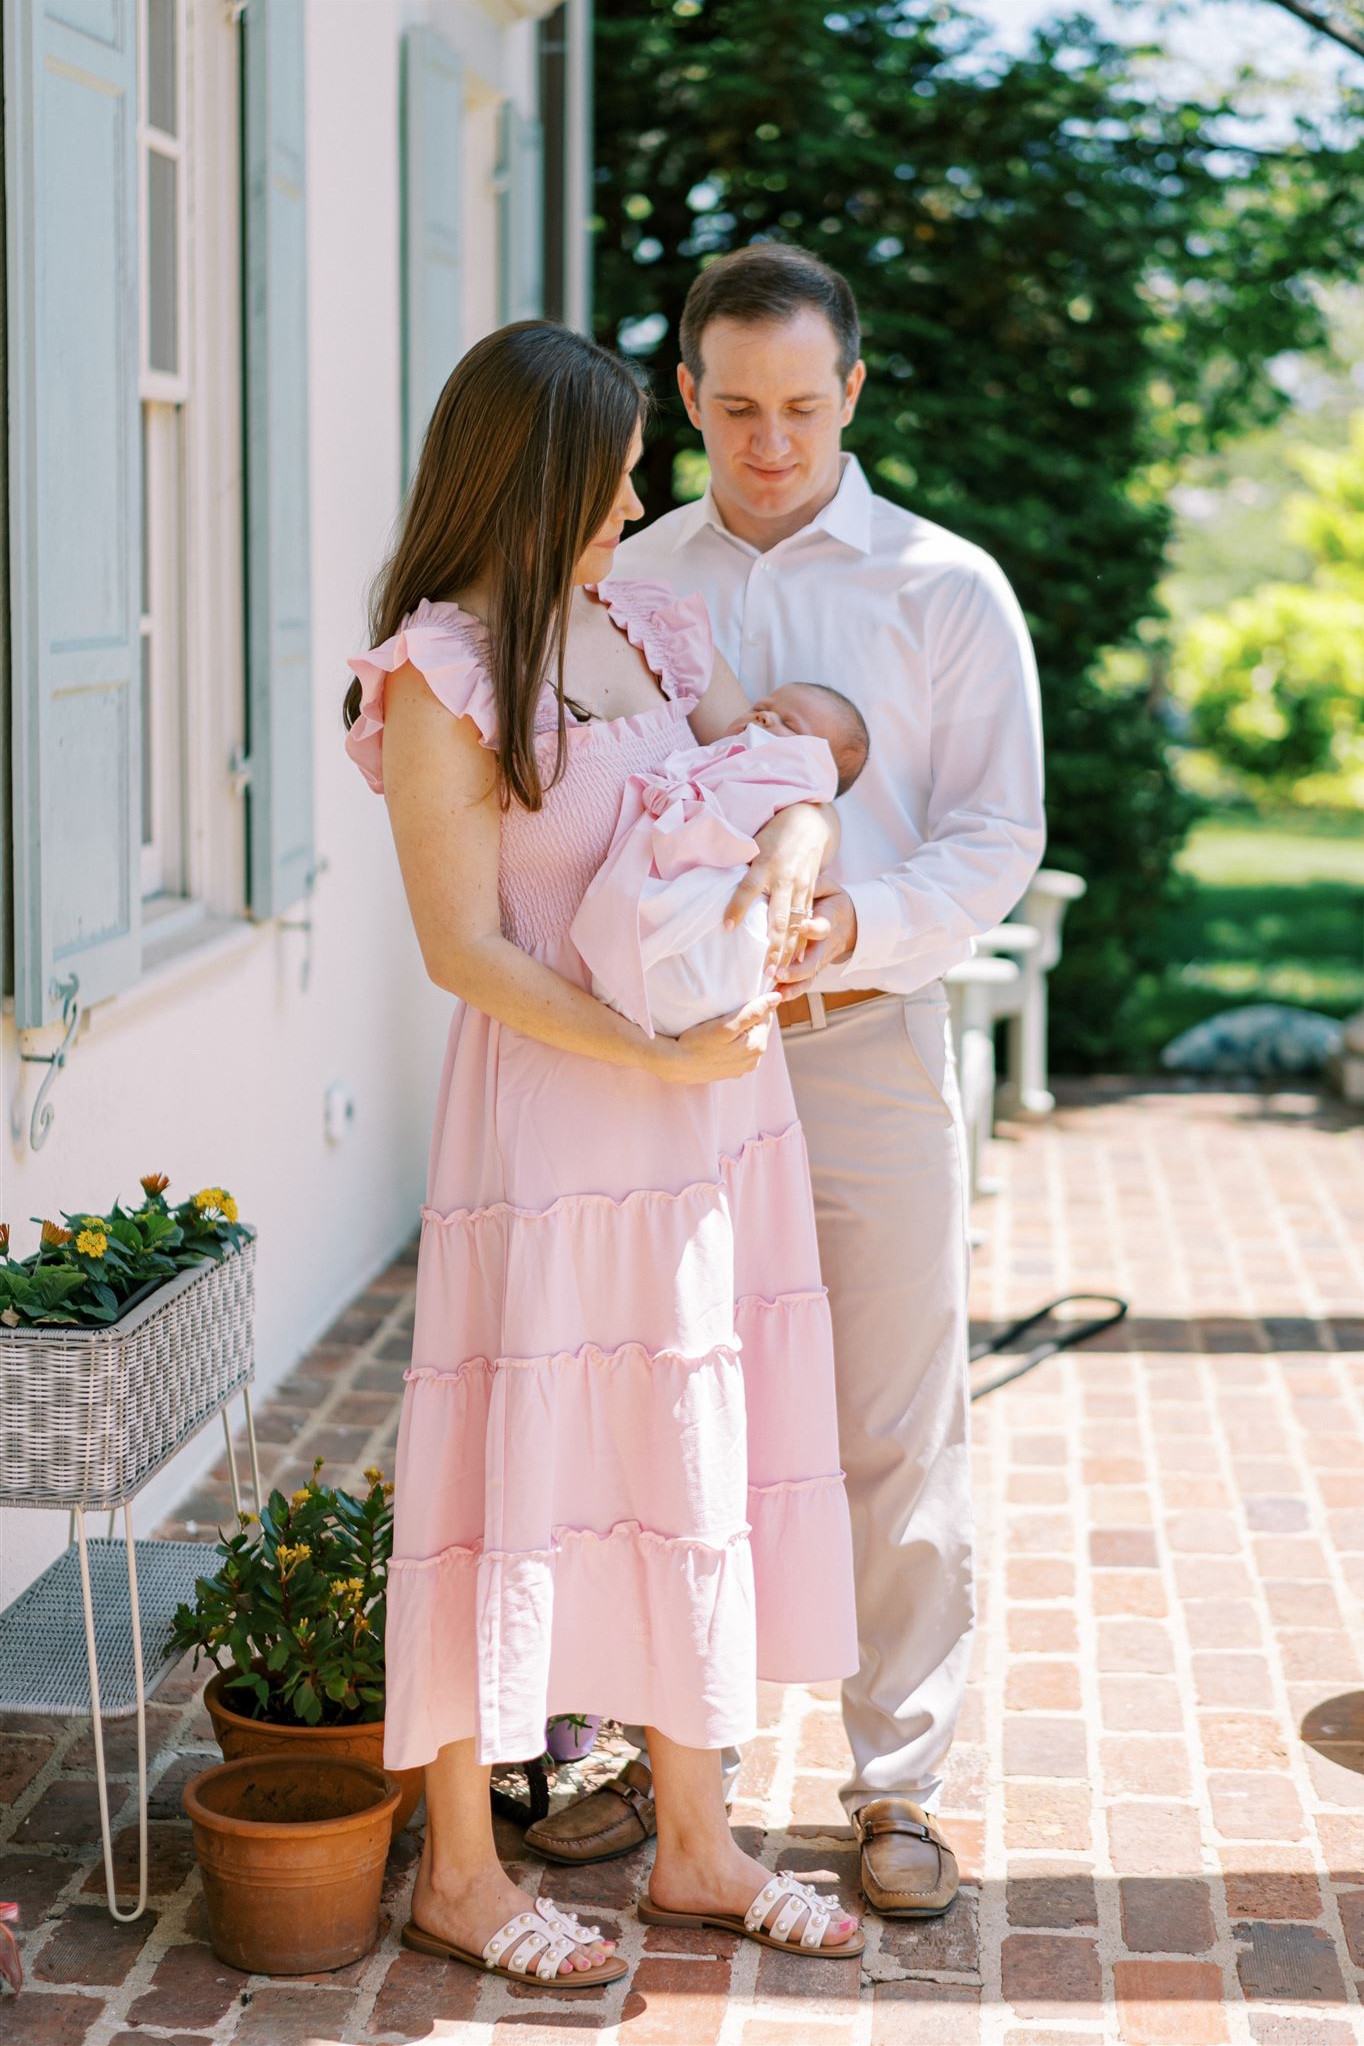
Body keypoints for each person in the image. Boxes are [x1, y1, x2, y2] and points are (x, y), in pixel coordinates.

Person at [525, 246, 1045, 1922]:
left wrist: (849, 924)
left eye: (800, 409)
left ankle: (895, 1785)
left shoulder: (940, 587)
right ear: (682, 396)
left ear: (854, 392)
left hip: (862, 1048)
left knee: (890, 1423)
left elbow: (995, 831)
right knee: (672, 1414)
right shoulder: (622, 576)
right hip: (668, 1071)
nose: (767, 442)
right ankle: (679, 1772)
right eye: (733, 408)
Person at [343, 320, 865, 1990]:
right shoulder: (437, 673)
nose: (642, 491)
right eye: (620, 465)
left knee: (688, 1459)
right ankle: (462, 1873)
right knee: (514, 1464)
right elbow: (460, 947)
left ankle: (700, 1848)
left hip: (709, 1122)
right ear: (537, 474)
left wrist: (794, 830)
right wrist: (641, 1048)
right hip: (564, 1118)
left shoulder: (644, 617)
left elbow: (772, 760)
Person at [571, 682, 870, 1037]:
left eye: (789, 725)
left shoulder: (784, 781)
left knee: (739, 925)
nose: (764, 714)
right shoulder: (724, 759)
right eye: (762, 705)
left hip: (726, 936)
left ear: (817, 766)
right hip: (666, 956)